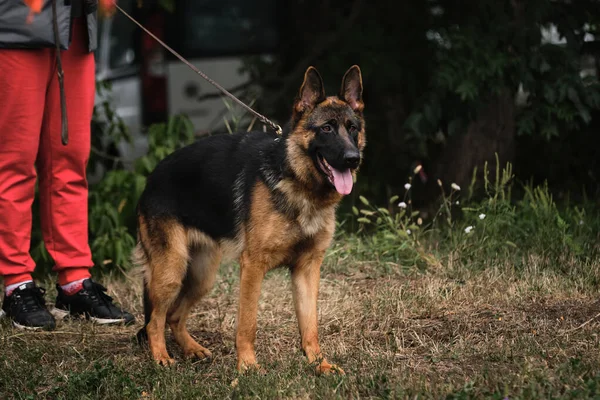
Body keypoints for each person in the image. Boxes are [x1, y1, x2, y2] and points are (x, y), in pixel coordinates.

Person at [0, 0, 134, 329]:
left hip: (74, 29)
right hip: (15, 29)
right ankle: (16, 283)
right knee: (15, 162)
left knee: (70, 159)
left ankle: (73, 282)